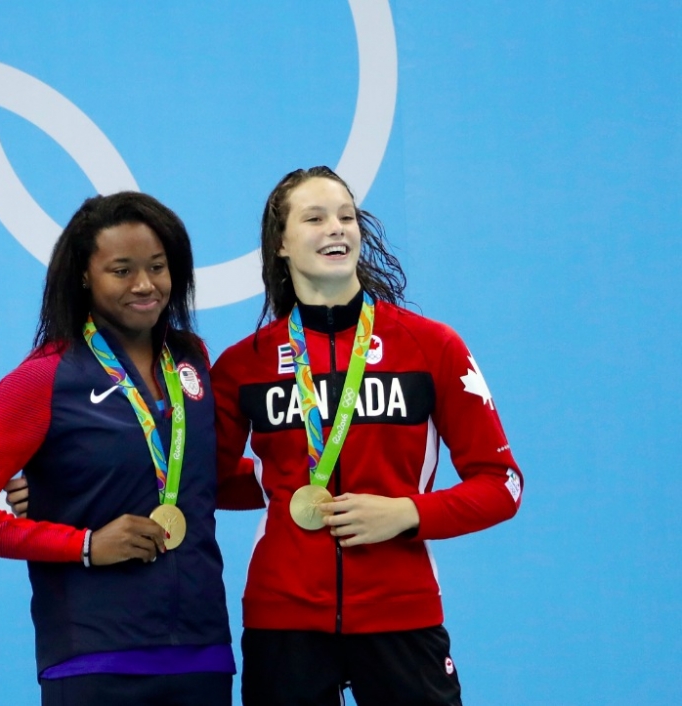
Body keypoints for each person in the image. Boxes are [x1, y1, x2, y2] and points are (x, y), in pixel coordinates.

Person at [212, 166, 524, 706]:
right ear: (281, 244)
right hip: (283, 618)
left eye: (346, 216)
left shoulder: (432, 347)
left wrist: (407, 513)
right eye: (314, 218)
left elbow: (501, 485)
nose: (336, 228)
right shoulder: (245, 365)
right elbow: (198, 481)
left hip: (401, 611)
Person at [0, 191, 235, 706]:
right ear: (84, 277)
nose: (145, 285)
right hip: (96, 656)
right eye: (122, 270)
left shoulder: (191, 357)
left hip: (203, 651)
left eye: (158, 267)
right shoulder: (44, 378)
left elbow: (204, 479)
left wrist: (303, 484)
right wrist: (85, 545)